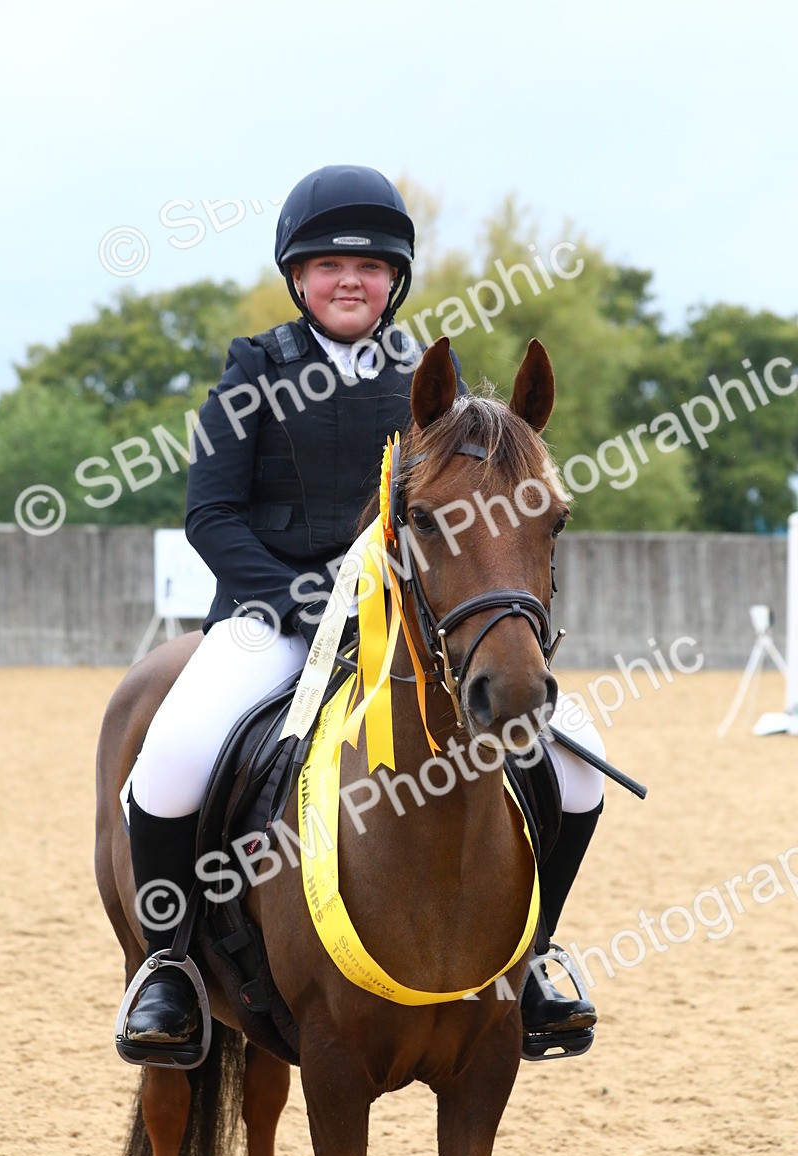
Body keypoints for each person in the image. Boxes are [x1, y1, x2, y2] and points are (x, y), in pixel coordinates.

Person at [122, 164, 604, 1050]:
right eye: (329, 263)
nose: (351, 278)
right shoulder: (252, 373)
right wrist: (297, 598)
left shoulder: (431, 389)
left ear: (395, 282)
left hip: (401, 629)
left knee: (581, 762)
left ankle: (533, 956)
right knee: (172, 758)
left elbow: (454, 525)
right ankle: (171, 970)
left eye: (372, 266)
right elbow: (211, 515)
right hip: (270, 623)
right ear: (298, 278)